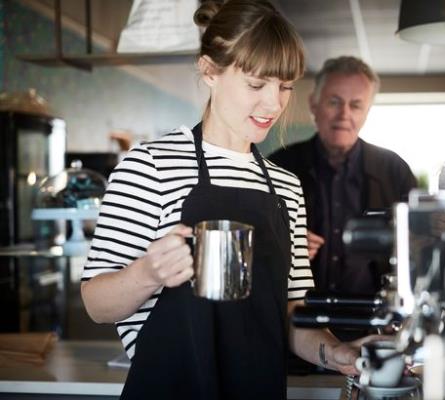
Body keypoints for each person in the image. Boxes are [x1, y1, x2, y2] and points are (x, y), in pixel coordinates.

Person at [80, 2, 375, 398]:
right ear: (209, 72)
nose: (274, 104)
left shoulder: (286, 186)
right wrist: (148, 272)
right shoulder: (151, 165)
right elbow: (96, 303)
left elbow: (291, 312)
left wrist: (335, 352)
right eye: (257, 84)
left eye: (285, 86)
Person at [270, 56, 417, 301]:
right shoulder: (278, 167)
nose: (343, 114)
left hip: (375, 322)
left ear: (367, 113)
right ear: (314, 105)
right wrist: (282, 246)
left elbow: (419, 249)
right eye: (334, 102)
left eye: (356, 105)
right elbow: (257, 249)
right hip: (297, 318)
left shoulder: (395, 170)